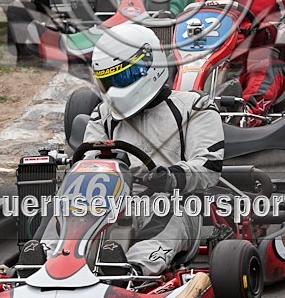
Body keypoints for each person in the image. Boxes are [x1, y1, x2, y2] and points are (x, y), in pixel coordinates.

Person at [20, 24, 225, 277]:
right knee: (67, 202)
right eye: (109, 81)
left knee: (167, 210)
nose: (116, 88)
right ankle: (43, 261)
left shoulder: (195, 107)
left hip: (170, 202)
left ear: (150, 66)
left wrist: (169, 176)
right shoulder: (103, 115)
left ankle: (132, 270)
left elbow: (208, 168)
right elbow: (89, 164)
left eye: (123, 77)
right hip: (112, 205)